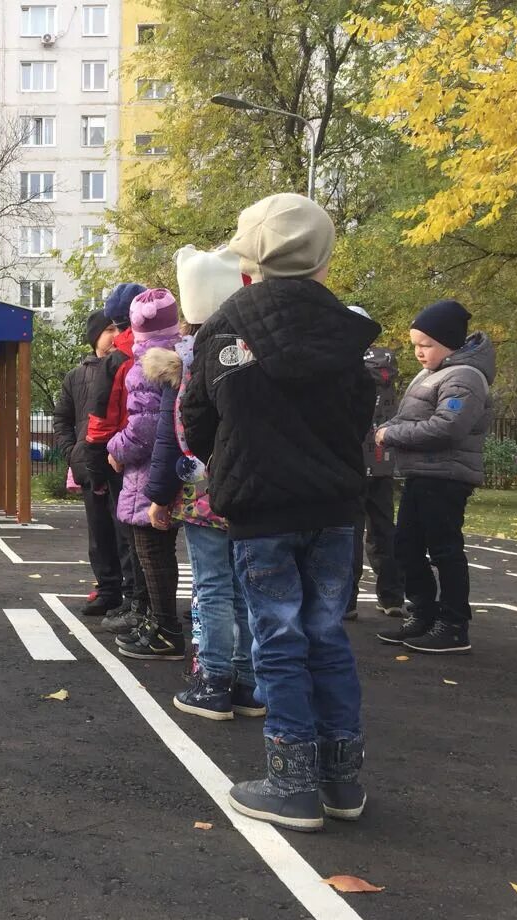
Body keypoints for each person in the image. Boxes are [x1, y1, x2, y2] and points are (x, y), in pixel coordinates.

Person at [182, 193, 379, 831]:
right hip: (334, 506)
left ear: (249, 256)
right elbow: (357, 420)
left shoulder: (222, 329)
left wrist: (237, 461)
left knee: (278, 640)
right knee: (326, 637)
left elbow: (197, 419)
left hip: (261, 509)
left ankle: (291, 784)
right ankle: (340, 781)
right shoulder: (348, 333)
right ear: (323, 256)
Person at [144, 245, 262, 719]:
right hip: (252, 491)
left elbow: (173, 436)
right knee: (247, 588)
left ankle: (212, 679)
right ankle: (249, 682)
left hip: (203, 495)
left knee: (211, 587)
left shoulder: (187, 363)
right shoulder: (255, 354)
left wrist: (159, 496)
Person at [375, 300, 493, 654]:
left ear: (448, 342)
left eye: (425, 344)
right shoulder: (432, 374)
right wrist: (387, 427)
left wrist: (391, 435)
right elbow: (409, 416)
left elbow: (448, 427)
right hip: (422, 473)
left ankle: (454, 624)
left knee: (444, 549)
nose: (418, 352)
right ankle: (424, 613)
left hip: (446, 476)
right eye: (415, 345)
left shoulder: (465, 377)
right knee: (405, 546)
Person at [107, 288, 186, 661]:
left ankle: (164, 627)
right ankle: (161, 622)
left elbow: (144, 429)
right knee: (163, 551)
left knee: (151, 551)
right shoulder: (183, 356)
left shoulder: (146, 368)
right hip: (179, 468)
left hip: (146, 475)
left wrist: (114, 448)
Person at [75, 282, 150, 634]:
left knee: (130, 535)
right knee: (153, 539)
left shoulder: (118, 359)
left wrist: (96, 463)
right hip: (163, 457)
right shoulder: (170, 349)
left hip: (123, 460)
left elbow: (101, 422)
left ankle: (139, 605)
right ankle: (148, 604)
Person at [54, 309, 131, 616]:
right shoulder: (76, 376)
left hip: (124, 463)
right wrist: (72, 452)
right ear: (94, 337)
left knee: (126, 532)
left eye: (118, 328)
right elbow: (62, 418)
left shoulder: (129, 365)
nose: (115, 334)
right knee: (99, 533)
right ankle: (108, 589)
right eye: (109, 329)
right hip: (89, 464)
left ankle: (133, 595)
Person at [346, 307, 406, 621]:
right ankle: (392, 595)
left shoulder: (345, 364)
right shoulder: (386, 366)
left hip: (352, 458)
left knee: (350, 530)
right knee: (383, 528)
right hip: (382, 458)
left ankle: (347, 600)